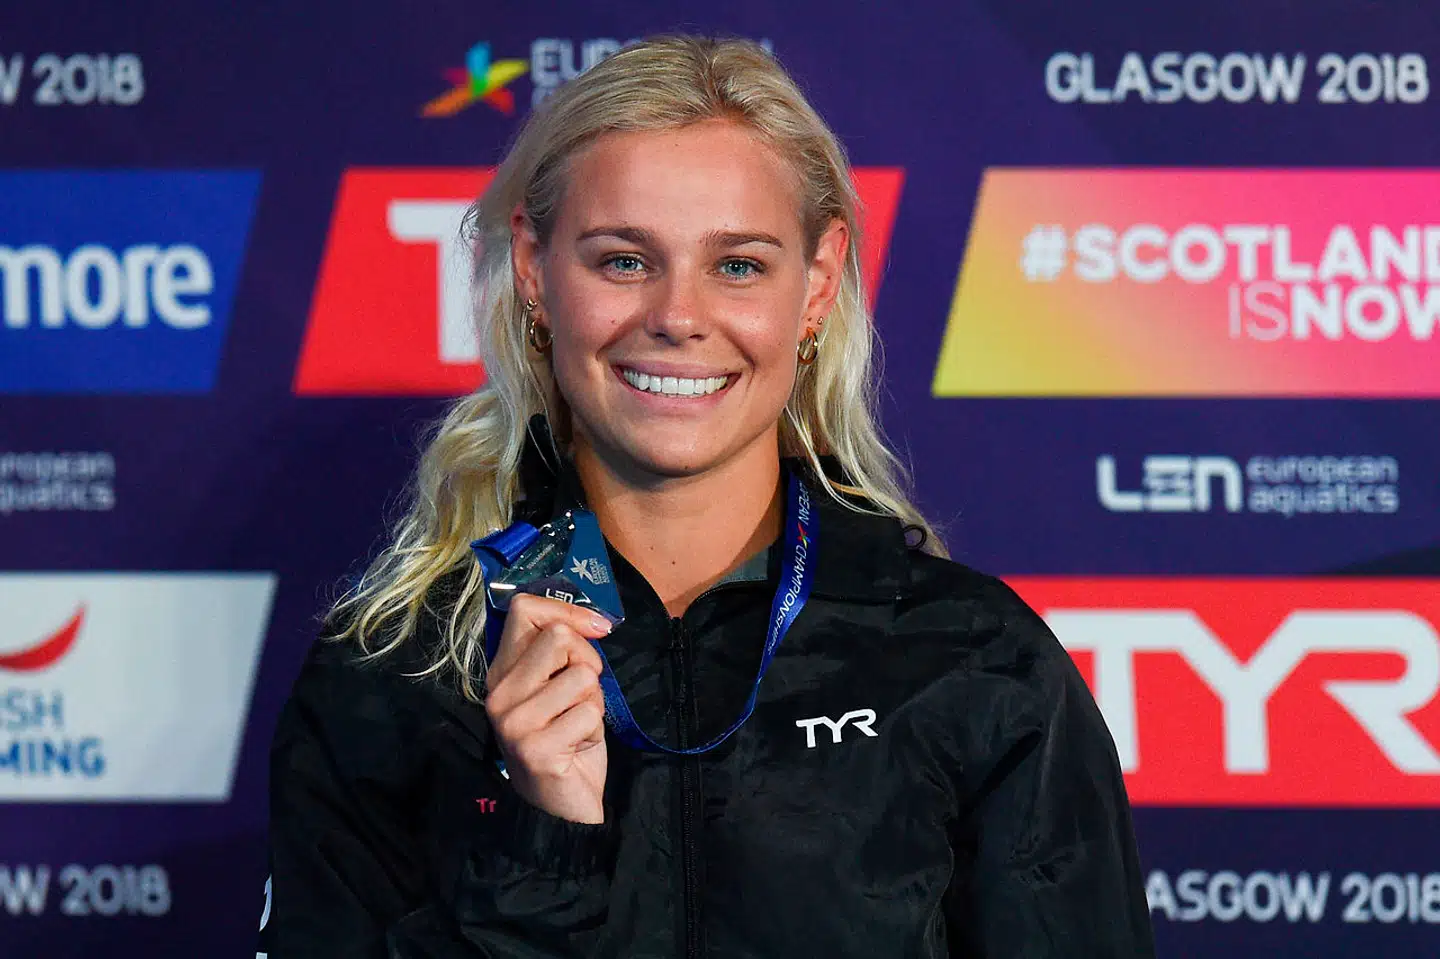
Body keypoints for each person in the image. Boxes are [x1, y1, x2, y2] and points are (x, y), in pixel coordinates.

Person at [259, 34, 1155, 958]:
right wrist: (545, 845)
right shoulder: (393, 678)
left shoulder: (972, 660)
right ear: (532, 268)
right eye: (622, 260)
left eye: (737, 265)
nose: (678, 317)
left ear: (815, 283)